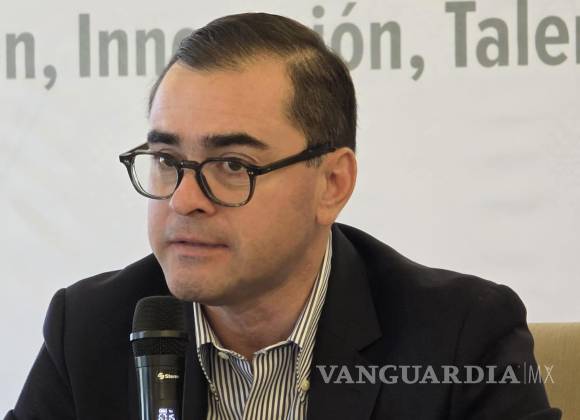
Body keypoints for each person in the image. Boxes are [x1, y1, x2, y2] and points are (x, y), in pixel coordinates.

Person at [6, 12, 561, 420]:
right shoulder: (90, 328)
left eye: (232, 165)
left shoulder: (457, 337)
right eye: (167, 161)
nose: (184, 199)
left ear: (332, 184)